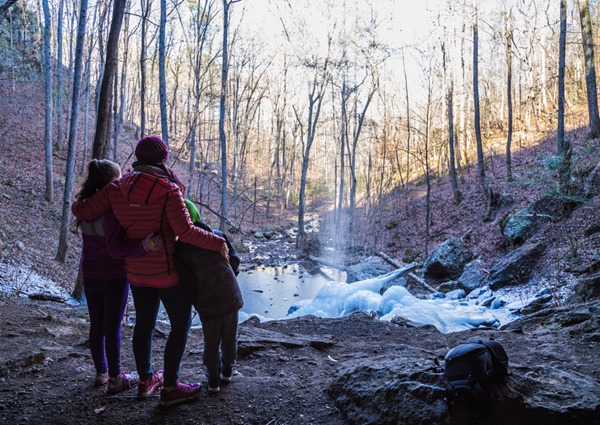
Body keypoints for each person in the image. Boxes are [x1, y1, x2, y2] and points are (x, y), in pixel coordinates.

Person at [71, 135, 229, 408]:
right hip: (166, 272)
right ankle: (169, 387)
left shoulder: (117, 187)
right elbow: (186, 231)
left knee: (144, 323)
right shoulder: (168, 190)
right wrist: (219, 242)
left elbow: (80, 209)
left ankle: (145, 381)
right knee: (180, 324)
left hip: (135, 273)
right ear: (164, 159)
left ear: (137, 157)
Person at [75, 159, 162, 394]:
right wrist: (143, 246)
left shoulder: (86, 209)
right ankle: (115, 378)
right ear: (110, 182)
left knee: (97, 325)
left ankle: (101, 373)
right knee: (112, 327)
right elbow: (116, 249)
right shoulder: (111, 212)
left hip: (90, 274)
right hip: (113, 275)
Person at [174, 200, 243, 393]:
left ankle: (213, 380)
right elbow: (234, 261)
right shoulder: (218, 235)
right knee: (230, 337)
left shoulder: (181, 249)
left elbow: (187, 282)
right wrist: (228, 280)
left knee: (211, 341)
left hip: (207, 299)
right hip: (230, 293)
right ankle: (227, 372)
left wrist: (195, 301)